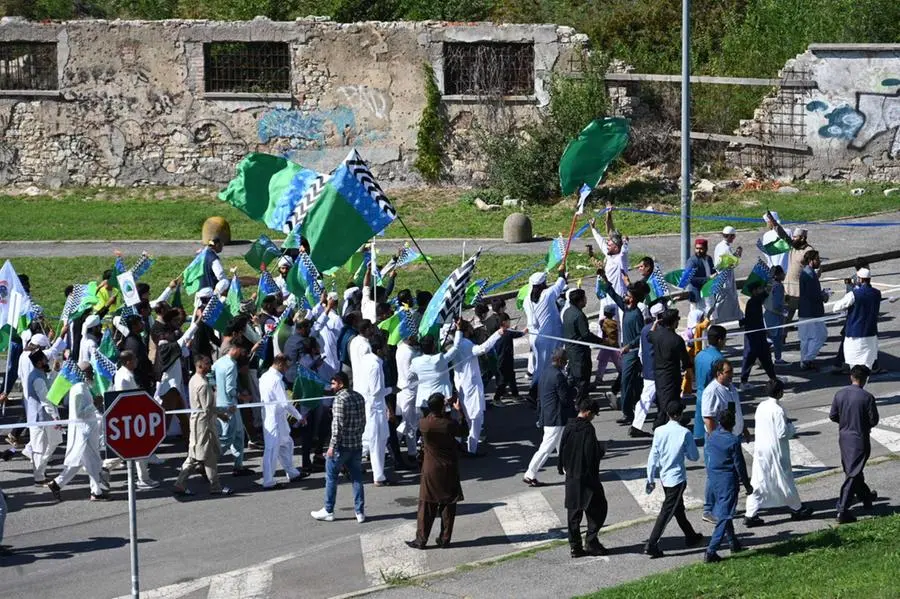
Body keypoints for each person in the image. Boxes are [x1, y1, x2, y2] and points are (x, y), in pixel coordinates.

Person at [744, 379, 813, 527]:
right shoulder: (778, 410)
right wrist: (792, 428)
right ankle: (796, 508)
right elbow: (782, 433)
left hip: (762, 448)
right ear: (780, 393)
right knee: (785, 478)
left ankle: (750, 513)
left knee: (759, 480)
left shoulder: (761, 406)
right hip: (776, 449)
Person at [405, 393, 470, 549]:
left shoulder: (424, 424)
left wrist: (440, 405)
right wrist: (458, 411)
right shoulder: (448, 424)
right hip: (449, 468)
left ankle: (421, 539)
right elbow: (464, 430)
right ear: (442, 406)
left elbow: (432, 416)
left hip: (430, 469)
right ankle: (444, 538)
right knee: (448, 504)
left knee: (426, 505)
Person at [644, 402, 703, 558]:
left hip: (664, 477)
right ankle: (652, 543)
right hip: (677, 479)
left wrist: (650, 478)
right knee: (667, 512)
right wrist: (683, 450)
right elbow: (694, 456)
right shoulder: (684, 433)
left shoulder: (659, 431)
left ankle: (691, 535)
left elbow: (653, 457)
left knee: (678, 509)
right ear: (679, 415)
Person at [47, 362, 110, 502]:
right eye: (90, 371)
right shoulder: (80, 389)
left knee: (79, 463)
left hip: (87, 431)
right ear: (83, 373)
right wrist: (95, 404)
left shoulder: (83, 387)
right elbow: (80, 413)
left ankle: (57, 484)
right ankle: (96, 492)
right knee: (93, 463)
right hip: (84, 433)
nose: (93, 374)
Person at [173, 355, 232, 496]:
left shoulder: (194, 379)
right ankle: (215, 486)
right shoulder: (203, 385)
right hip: (204, 425)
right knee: (207, 456)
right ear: (199, 366)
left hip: (197, 422)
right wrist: (224, 412)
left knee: (194, 455)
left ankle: (180, 483)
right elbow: (208, 408)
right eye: (207, 363)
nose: (210, 365)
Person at [311, 372, 366, 523]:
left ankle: (328, 510)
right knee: (357, 478)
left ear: (341, 383)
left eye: (333, 383)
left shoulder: (340, 400)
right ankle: (359, 511)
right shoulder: (359, 397)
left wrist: (331, 447)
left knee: (331, 477)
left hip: (341, 446)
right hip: (356, 444)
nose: (331, 386)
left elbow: (337, 426)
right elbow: (363, 421)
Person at [101, 350, 159, 489]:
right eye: (134, 359)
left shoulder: (126, 374)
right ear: (128, 361)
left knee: (131, 451)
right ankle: (143, 479)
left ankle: (105, 469)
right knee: (136, 450)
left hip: (132, 418)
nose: (137, 361)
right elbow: (124, 400)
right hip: (128, 419)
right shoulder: (123, 377)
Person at [560, 396, 608, 558]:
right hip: (586, 478)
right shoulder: (587, 429)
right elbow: (591, 454)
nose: (593, 417)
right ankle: (591, 541)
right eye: (593, 414)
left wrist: (563, 467)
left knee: (574, 514)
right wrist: (601, 450)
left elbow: (562, 448)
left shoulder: (569, 426)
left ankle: (575, 546)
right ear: (587, 413)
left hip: (571, 476)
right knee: (598, 508)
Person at [830, 365, 879, 523]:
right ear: (865, 379)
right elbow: (874, 420)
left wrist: (846, 422)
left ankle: (866, 497)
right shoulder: (867, 397)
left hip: (844, 438)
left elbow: (833, 415)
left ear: (851, 377)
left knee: (853, 471)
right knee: (852, 474)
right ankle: (842, 509)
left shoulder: (840, 394)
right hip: (860, 439)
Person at [701, 359, 747, 523]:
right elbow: (708, 418)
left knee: (732, 472)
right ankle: (708, 509)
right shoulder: (712, 391)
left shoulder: (730, 387)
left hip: (732, 437)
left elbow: (735, 410)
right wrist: (716, 440)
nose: (731, 375)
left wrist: (744, 428)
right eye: (728, 372)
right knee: (715, 474)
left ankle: (726, 506)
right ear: (719, 373)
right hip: (719, 441)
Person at [451, 319, 504, 456]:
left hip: (463, 385)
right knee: (475, 418)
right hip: (470, 386)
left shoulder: (455, 344)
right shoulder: (465, 344)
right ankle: (471, 449)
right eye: (469, 326)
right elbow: (482, 349)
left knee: (470, 417)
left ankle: (469, 445)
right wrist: (497, 334)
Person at [523, 348, 577, 487]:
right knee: (546, 447)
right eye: (565, 361)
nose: (566, 363)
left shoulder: (545, 372)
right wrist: (573, 390)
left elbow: (540, 397)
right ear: (559, 360)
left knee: (562, 445)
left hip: (548, 415)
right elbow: (565, 398)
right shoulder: (558, 375)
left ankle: (568, 470)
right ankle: (530, 473)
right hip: (556, 417)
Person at [704, 410, 752, 562]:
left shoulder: (712, 436)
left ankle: (733, 543)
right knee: (724, 515)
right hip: (727, 480)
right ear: (733, 424)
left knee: (725, 510)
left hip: (713, 479)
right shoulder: (732, 441)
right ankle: (711, 550)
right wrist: (747, 485)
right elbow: (740, 465)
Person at [599, 272, 645, 425]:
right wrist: (604, 278)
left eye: (627, 294)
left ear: (632, 298)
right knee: (633, 384)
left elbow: (641, 335)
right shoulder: (626, 309)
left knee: (626, 383)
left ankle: (628, 413)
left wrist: (628, 346)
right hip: (626, 354)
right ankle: (635, 409)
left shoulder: (637, 314)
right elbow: (613, 294)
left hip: (631, 354)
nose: (624, 296)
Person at [260, 354, 305, 489]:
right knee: (272, 449)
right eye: (286, 366)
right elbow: (285, 403)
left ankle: (292, 473)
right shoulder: (276, 380)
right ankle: (268, 481)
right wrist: (299, 416)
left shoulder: (264, 377)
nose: (287, 369)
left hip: (272, 416)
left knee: (286, 444)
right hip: (275, 418)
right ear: (280, 364)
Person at [524, 268, 567, 398]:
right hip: (548, 338)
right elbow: (561, 283)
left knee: (541, 365)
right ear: (543, 284)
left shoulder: (527, 300)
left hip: (536, 337)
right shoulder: (547, 294)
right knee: (544, 366)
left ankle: (541, 390)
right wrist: (561, 272)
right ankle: (535, 393)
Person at [213, 345, 254, 477]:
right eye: (242, 350)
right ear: (235, 348)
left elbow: (210, 375)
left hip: (223, 404)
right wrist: (244, 397)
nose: (242, 353)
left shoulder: (219, 362)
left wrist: (214, 387)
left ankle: (238, 465)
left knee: (239, 435)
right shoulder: (231, 365)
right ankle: (208, 462)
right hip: (229, 406)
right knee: (227, 438)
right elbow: (230, 390)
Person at [25, 350, 63, 485]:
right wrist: (55, 417)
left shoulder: (39, 375)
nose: (47, 361)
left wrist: (54, 372)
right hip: (40, 419)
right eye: (45, 359)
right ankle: (39, 477)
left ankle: (40, 470)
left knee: (54, 441)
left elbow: (50, 388)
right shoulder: (37, 378)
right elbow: (45, 399)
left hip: (44, 418)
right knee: (39, 448)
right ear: (39, 362)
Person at [766, 212, 813, 323]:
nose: (793, 238)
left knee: (805, 311)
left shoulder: (809, 251)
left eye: (795, 237)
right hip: (789, 285)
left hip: (801, 286)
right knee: (788, 311)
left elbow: (815, 268)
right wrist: (773, 221)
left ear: (802, 238)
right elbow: (782, 234)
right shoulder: (792, 246)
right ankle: (783, 331)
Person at [649, 309, 691, 430]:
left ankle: (668, 420)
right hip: (672, 375)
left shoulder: (656, 335)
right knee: (672, 401)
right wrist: (688, 371)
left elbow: (649, 336)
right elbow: (686, 360)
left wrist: (655, 323)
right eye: (677, 319)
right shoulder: (677, 339)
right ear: (674, 322)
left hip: (659, 374)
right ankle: (662, 423)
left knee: (662, 399)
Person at [831, 267, 882, 370]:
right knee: (868, 362)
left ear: (860, 279)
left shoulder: (853, 294)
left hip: (855, 334)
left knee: (855, 364)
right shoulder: (877, 293)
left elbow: (835, 308)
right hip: (870, 333)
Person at [358, 336, 391, 485]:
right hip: (375, 407)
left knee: (368, 439)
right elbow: (376, 391)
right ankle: (379, 476)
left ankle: (349, 463)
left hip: (368, 405)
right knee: (377, 441)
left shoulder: (365, 360)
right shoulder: (375, 365)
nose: (387, 350)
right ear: (379, 350)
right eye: (385, 347)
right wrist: (392, 389)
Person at [561, 289, 604, 402]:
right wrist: (601, 341)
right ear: (579, 301)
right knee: (582, 378)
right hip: (580, 352)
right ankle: (581, 402)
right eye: (584, 298)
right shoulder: (579, 315)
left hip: (570, 349)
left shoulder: (567, 312)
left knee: (573, 376)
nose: (586, 300)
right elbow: (586, 335)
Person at [589, 204, 629, 320]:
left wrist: (625, 242)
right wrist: (593, 228)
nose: (607, 245)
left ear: (616, 247)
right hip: (607, 296)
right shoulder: (609, 254)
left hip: (619, 297)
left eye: (609, 244)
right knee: (604, 326)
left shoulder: (621, 258)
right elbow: (600, 240)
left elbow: (623, 247)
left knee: (618, 327)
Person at [739, 280, 777, 389]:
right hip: (753, 336)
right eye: (759, 289)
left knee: (766, 357)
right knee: (750, 358)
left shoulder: (755, 300)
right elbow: (750, 319)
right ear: (755, 291)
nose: (761, 290)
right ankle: (743, 381)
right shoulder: (753, 302)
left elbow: (765, 294)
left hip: (759, 335)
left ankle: (773, 378)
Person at [693, 325, 727, 443]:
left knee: (700, 430)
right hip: (713, 397)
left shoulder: (700, 354)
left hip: (700, 393)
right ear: (720, 340)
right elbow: (723, 381)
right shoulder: (719, 358)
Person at [635, 303, 665, 435]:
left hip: (648, 369)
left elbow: (641, 352)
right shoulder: (661, 330)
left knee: (659, 398)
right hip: (658, 370)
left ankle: (665, 420)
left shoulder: (644, 330)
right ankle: (636, 426)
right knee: (647, 399)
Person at [798, 250, 828, 370]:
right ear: (811, 261)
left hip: (804, 311)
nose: (819, 261)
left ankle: (804, 360)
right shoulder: (810, 275)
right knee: (821, 335)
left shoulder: (806, 272)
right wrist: (823, 296)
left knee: (805, 338)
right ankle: (807, 359)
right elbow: (813, 295)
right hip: (812, 312)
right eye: (817, 259)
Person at [395, 334, 422, 461]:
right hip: (410, 390)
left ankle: (393, 442)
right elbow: (412, 374)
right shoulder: (412, 354)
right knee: (410, 423)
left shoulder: (400, 348)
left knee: (407, 421)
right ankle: (411, 452)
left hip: (403, 388)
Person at [712, 226, 743, 322]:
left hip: (724, 276)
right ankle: (713, 318)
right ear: (730, 236)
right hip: (725, 277)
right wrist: (738, 254)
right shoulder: (725, 248)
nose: (734, 238)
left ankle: (740, 317)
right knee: (722, 300)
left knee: (732, 299)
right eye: (733, 236)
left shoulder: (720, 245)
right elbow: (732, 263)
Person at [492, 313, 524, 403]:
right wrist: (526, 330)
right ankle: (496, 398)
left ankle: (515, 394)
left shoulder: (499, 333)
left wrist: (512, 329)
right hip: (505, 361)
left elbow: (509, 333)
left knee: (511, 377)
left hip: (502, 360)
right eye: (508, 321)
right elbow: (520, 333)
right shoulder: (508, 333)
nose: (510, 322)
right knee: (504, 381)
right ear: (504, 322)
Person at [763, 266, 788, 364]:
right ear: (778, 275)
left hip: (767, 313)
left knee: (769, 338)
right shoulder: (778, 286)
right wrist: (784, 309)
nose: (784, 275)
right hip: (776, 315)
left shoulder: (769, 283)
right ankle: (778, 358)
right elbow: (777, 304)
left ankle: (760, 357)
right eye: (782, 273)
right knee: (777, 339)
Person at [685, 239, 715, 313]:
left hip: (708, 292)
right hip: (697, 295)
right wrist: (707, 279)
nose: (698, 251)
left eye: (701, 249)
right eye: (697, 248)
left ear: (706, 248)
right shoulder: (692, 261)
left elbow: (712, 271)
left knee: (710, 316)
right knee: (698, 319)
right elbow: (690, 279)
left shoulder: (709, 259)